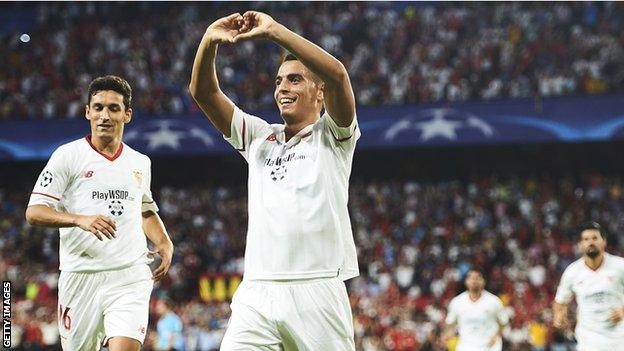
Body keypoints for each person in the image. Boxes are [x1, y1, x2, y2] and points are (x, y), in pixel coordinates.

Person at [189, 10, 359, 350]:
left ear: (318, 92)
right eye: (279, 81)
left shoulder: (333, 136)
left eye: (295, 79)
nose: (283, 87)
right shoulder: (258, 138)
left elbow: (338, 75)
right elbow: (204, 93)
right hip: (258, 291)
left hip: (317, 289)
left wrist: (275, 32)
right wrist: (208, 40)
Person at [25, 75, 174, 351]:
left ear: (127, 115)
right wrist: (78, 219)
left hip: (129, 276)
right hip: (80, 276)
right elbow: (34, 212)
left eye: (113, 108)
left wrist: (164, 241)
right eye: (98, 107)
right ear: (87, 112)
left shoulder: (140, 162)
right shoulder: (67, 156)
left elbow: (145, 210)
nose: (104, 115)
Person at [553, 221, 624, 350]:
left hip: (618, 341)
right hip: (588, 342)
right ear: (580, 245)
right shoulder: (572, 272)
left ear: (604, 242)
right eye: (586, 239)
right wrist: (559, 316)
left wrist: (623, 311)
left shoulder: (620, 266)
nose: (591, 242)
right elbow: (560, 302)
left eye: (595, 238)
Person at [443, 268, 509, 351]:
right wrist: (448, 334)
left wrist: (496, 335)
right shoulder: (457, 302)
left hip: (490, 346)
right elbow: (450, 323)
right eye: (471, 278)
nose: (474, 281)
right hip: (466, 346)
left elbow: (503, 322)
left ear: (483, 281)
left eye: (478, 278)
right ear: (466, 281)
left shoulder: (494, 301)